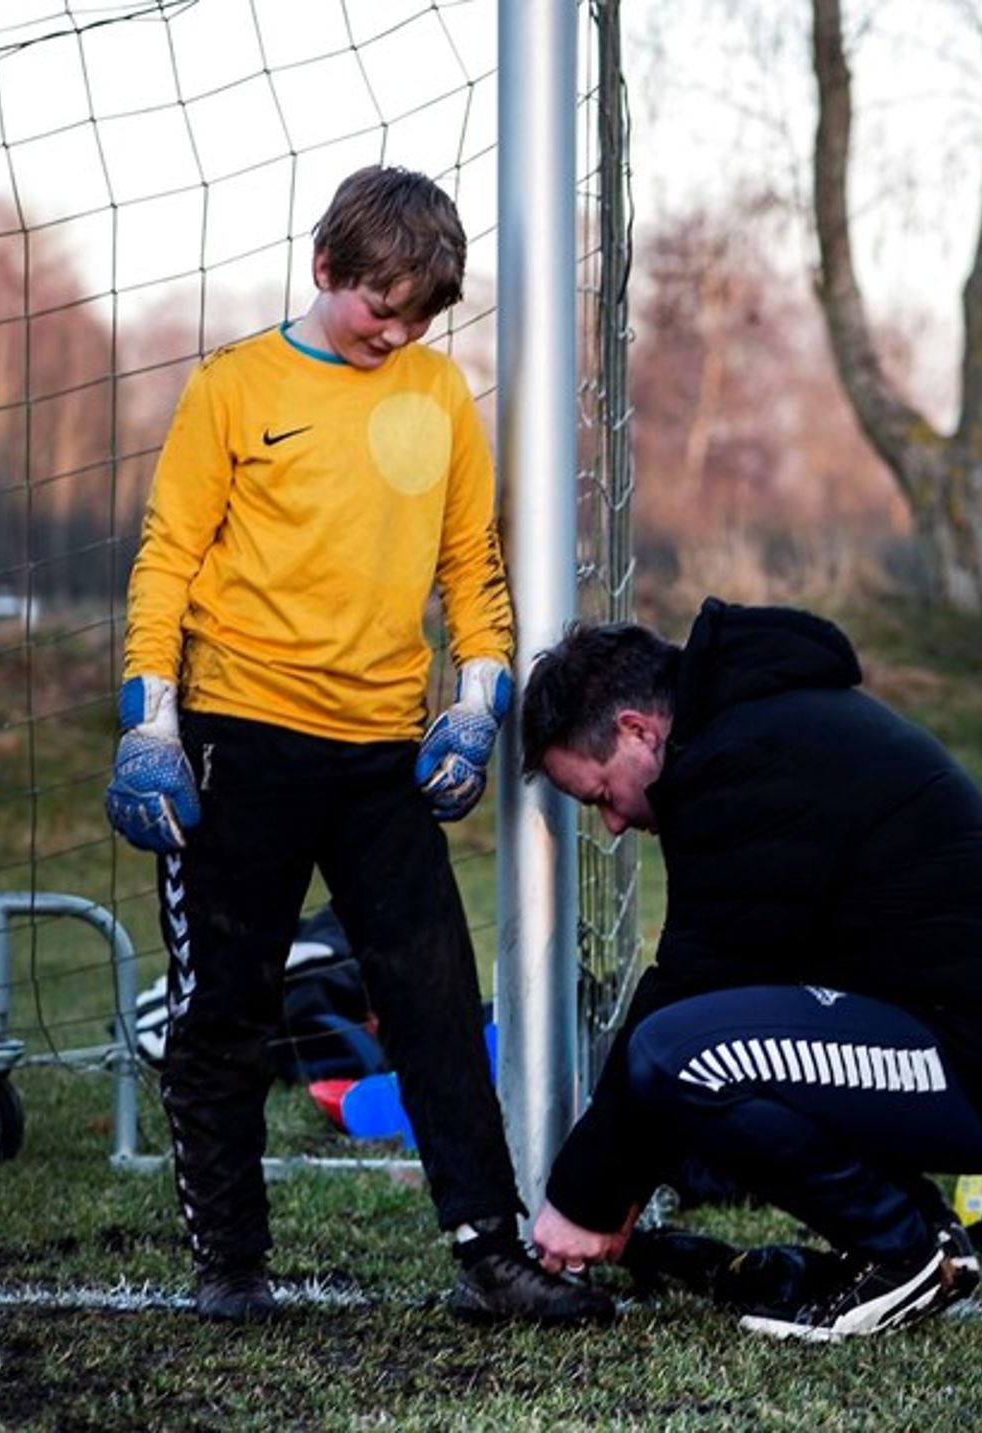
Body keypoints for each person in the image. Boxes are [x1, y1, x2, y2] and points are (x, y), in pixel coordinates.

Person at [103, 164, 609, 1327]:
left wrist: (476, 706)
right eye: (378, 305)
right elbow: (166, 561)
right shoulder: (232, 386)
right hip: (238, 746)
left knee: (434, 1005)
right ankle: (231, 1263)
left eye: (418, 314)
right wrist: (150, 727)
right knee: (225, 1012)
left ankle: (490, 1250)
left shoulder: (438, 396)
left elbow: (470, 571)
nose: (395, 331)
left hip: (380, 755)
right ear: (324, 267)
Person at [515, 598, 982, 1342]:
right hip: (951, 1041)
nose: (613, 821)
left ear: (636, 730)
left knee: (680, 1054)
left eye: (599, 794)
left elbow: (687, 993)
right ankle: (919, 1233)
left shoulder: (744, 761)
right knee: (698, 1047)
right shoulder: (754, 728)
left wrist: (585, 1196)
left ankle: (899, 1249)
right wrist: (612, 1182)